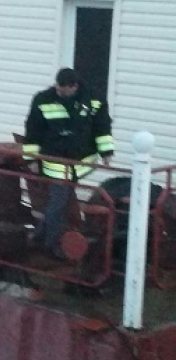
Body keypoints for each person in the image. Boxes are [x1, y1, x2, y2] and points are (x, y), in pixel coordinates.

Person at [23, 68, 115, 260]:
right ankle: (52, 245)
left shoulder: (94, 99)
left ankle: (40, 236)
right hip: (55, 163)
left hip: (81, 163)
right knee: (58, 203)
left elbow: (102, 127)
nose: (59, 92)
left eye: (63, 90)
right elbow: (33, 131)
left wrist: (106, 152)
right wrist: (30, 159)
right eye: (57, 88)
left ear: (74, 86)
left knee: (59, 202)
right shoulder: (43, 100)